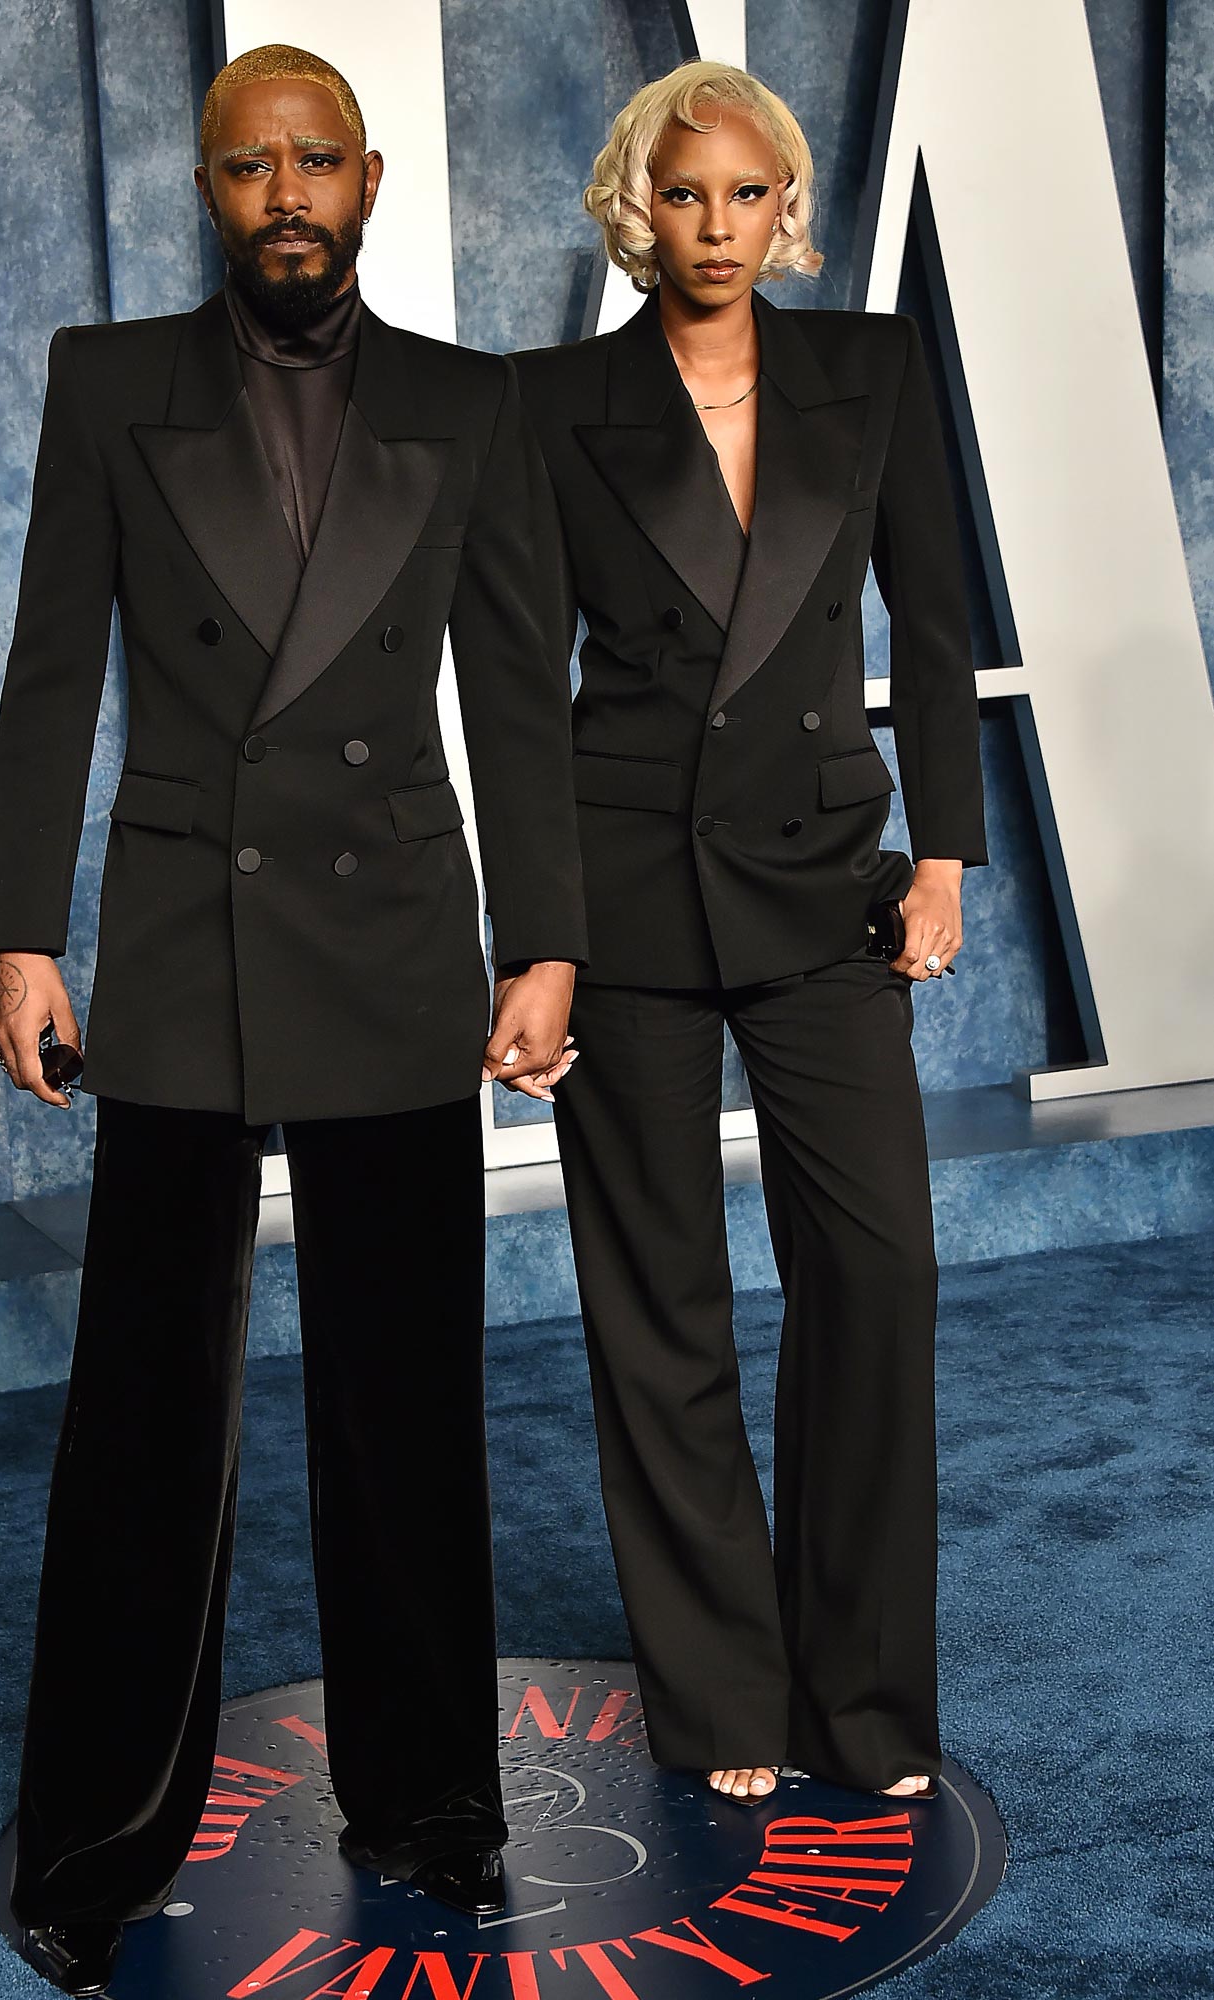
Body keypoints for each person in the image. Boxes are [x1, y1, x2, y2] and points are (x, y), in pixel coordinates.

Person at [0, 43, 585, 1996]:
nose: (286, 192)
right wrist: (20, 933)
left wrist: (545, 941)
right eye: (251, 165)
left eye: (316, 159)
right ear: (210, 189)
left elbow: (517, 690)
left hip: (393, 931)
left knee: (403, 1397)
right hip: (181, 933)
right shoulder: (106, 380)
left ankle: (432, 1807)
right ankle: (95, 1833)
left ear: (371, 177)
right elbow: (52, 667)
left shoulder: (470, 402)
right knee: (146, 1409)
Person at [512, 61, 986, 1815]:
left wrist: (945, 852)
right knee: (661, 1308)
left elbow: (934, 624)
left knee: (876, 1275)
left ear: (785, 207)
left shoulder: (873, 368)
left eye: (746, 193)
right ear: (635, 206)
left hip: (825, 878)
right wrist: (536, 937)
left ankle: (860, 1699)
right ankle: (722, 1697)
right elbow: (515, 689)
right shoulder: (548, 401)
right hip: (625, 892)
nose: (714, 225)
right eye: (682, 192)